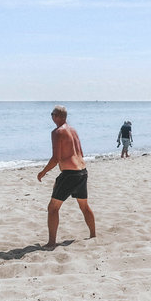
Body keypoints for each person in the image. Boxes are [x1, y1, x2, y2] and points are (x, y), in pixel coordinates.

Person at [37, 105, 96, 249]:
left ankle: (51, 243)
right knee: (84, 205)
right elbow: (80, 152)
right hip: (82, 171)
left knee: (53, 208)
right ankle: (93, 235)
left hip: (70, 174)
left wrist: (43, 172)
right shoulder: (73, 130)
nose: (51, 117)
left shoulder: (57, 132)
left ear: (58, 116)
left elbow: (56, 158)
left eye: (52, 114)